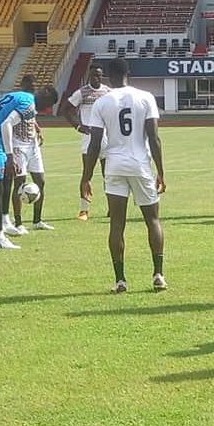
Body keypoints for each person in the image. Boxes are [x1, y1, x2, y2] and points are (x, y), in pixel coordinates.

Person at [81, 58, 167, 293]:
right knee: (153, 220)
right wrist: (161, 171)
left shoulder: (102, 102)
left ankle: (120, 280)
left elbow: (95, 143)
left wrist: (86, 177)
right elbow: (153, 137)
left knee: (117, 223)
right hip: (140, 164)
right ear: (128, 72)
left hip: (114, 166)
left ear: (108, 76)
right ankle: (158, 274)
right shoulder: (146, 97)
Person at [0, 81, 57, 250]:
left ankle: (5, 221)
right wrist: (10, 156)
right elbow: (6, 124)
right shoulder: (29, 105)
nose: (46, 109)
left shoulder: (19, 95)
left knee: (7, 178)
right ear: (46, 98)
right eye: (49, 105)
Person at [65, 64, 112, 220]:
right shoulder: (82, 92)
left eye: (98, 75)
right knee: (87, 174)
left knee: (109, 174)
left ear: (102, 76)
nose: (95, 78)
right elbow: (66, 109)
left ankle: (112, 208)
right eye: (93, 75)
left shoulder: (107, 92)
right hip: (89, 139)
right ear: (88, 76)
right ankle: (84, 210)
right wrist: (78, 126)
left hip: (106, 139)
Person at [10, 75, 54, 233]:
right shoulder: (19, 100)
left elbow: (31, 116)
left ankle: (37, 220)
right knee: (19, 182)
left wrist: (38, 129)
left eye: (35, 86)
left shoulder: (33, 100)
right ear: (23, 84)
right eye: (30, 85)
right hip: (18, 145)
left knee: (40, 181)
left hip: (32, 144)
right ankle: (18, 222)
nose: (33, 88)